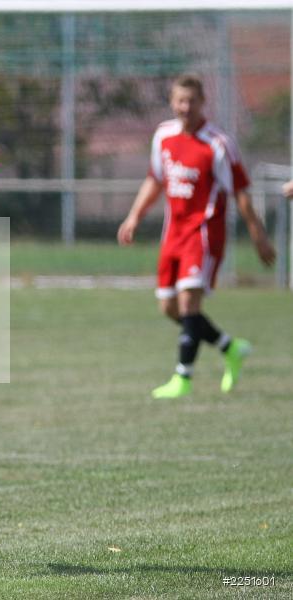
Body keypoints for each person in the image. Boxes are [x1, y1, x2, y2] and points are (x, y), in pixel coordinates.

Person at [117, 74, 275, 399]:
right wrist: (134, 216)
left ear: (203, 103)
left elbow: (241, 192)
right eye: (180, 101)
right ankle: (230, 347)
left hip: (203, 233)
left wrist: (258, 234)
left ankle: (182, 378)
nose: (185, 107)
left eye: (191, 101)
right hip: (172, 233)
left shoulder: (218, 143)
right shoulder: (163, 136)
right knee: (169, 307)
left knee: (189, 301)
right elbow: (155, 180)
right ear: (172, 102)